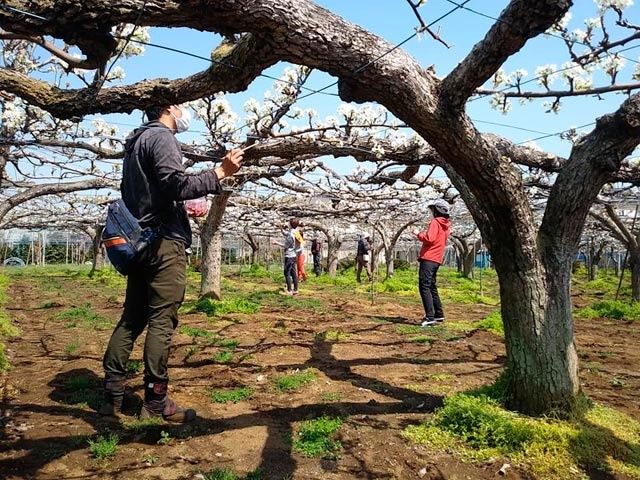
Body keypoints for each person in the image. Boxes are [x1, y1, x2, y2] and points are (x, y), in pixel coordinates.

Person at [100, 104, 243, 423]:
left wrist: (177, 208)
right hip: (163, 245)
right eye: (181, 105)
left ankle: (112, 393)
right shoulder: (162, 137)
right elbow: (175, 184)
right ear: (168, 107)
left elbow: (152, 191)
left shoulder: (135, 141)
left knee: (132, 318)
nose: (186, 111)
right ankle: (155, 401)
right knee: (162, 321)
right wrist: (220, 173)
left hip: (140, 241)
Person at [413, 199, 451, 327]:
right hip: (437, 259)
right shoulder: (446, 225)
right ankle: (439, 314)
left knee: (424, 286)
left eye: (433, 210)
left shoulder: (435, 222)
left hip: (429, 258)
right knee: (431, 286)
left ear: (436, 211)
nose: (431, 212)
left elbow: (429, 238)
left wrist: (418, 233)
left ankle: (430, 317)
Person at [273, 218, 300, 295]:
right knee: (293, 272)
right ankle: (295, 289)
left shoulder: (291, 235)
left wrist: (276, 243)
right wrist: (281, 228)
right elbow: (286, 234)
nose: (287, 224)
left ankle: (289, 290)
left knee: (287, 273)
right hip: (294, 255)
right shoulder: (295, 232)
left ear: (290, 224)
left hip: (289, 256)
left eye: (288, 223)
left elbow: (286, 246)